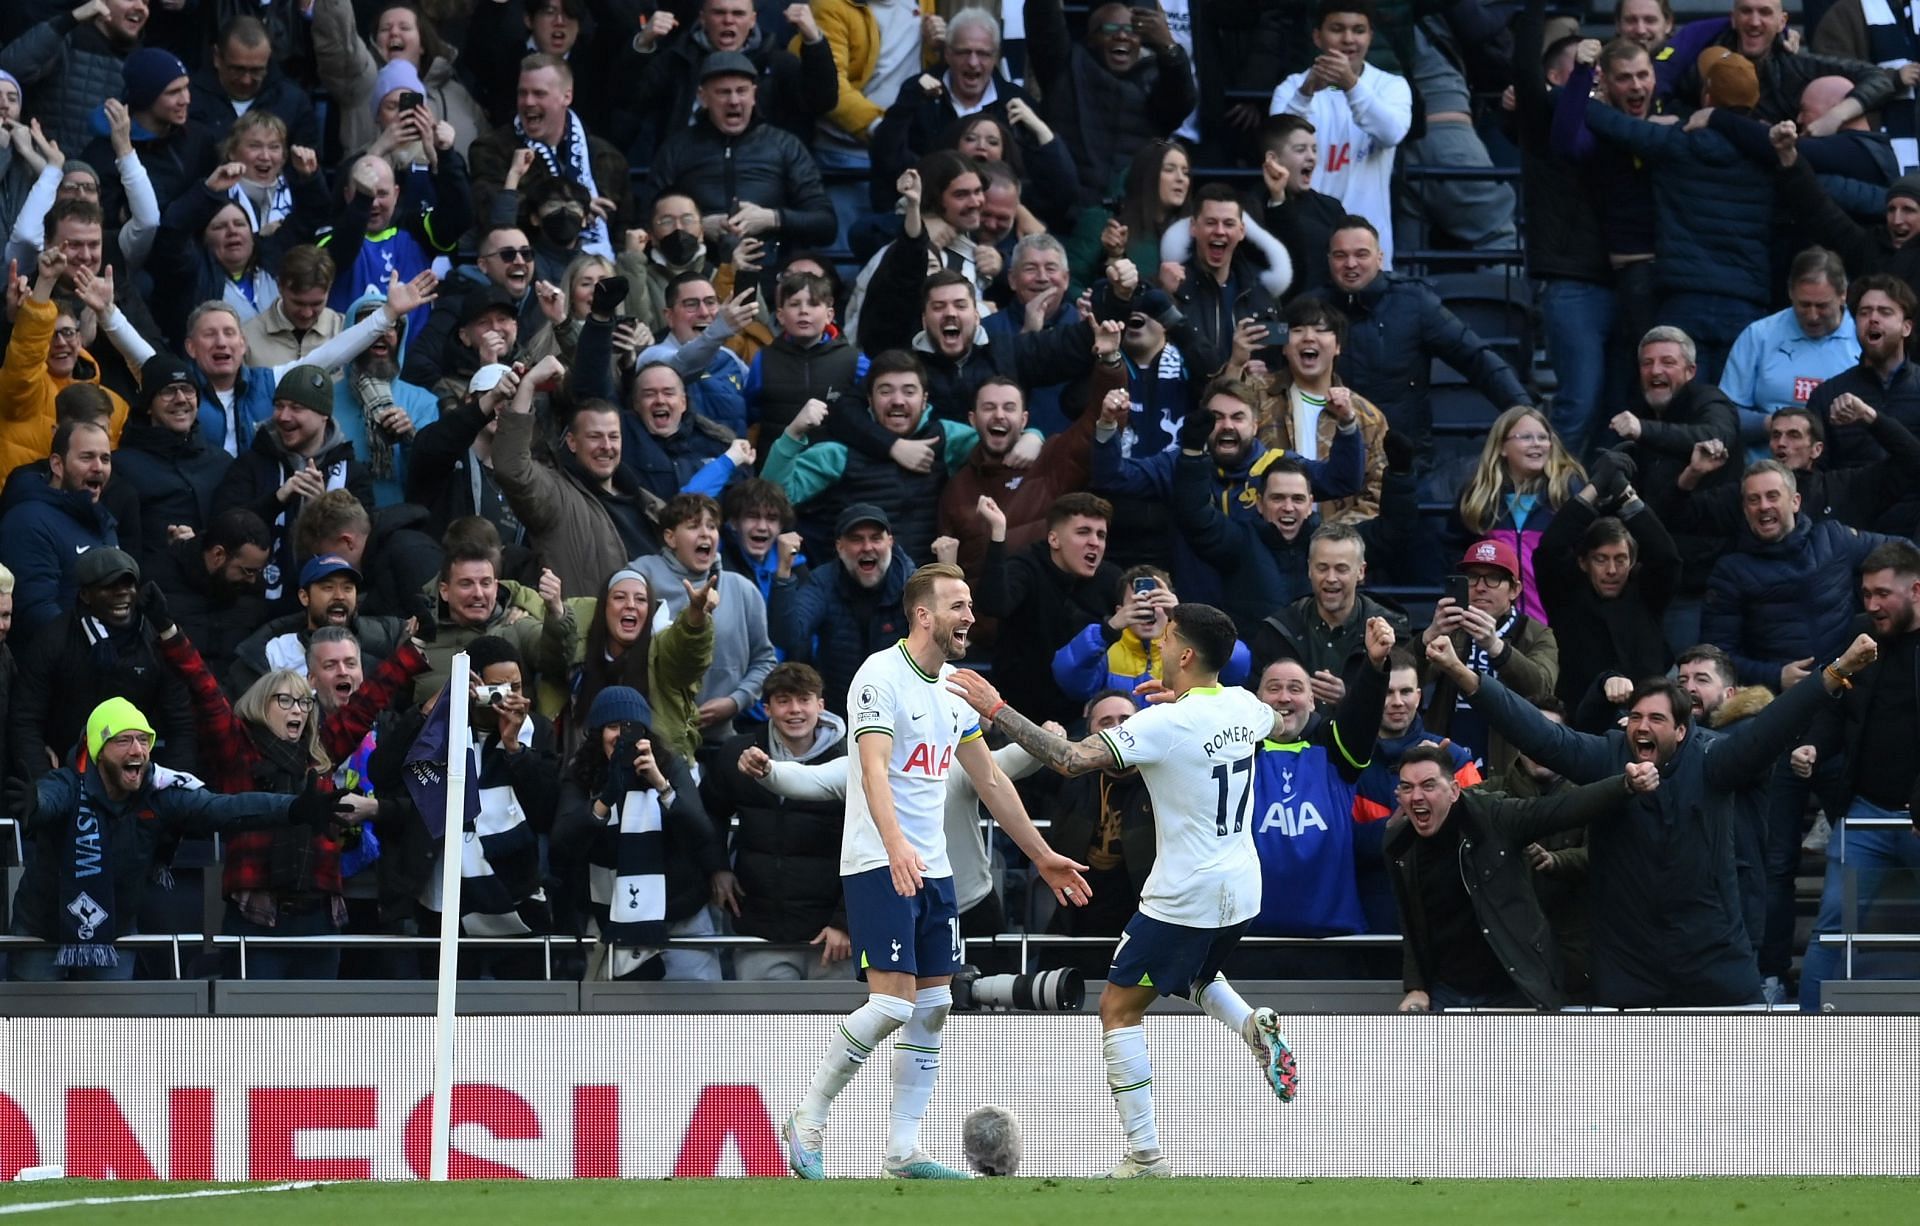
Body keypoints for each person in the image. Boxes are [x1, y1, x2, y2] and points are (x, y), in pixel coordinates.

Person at [945, 603, 1332, 1176]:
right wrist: (1187, 707)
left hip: (1184, 892)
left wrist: (997, 710)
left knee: (1118, 1008)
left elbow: (1072, 758)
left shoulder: (1162, 724)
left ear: (1184, 654)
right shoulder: (1246, 705)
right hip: (1243, 889)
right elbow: (1284, 725)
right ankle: (1252, 1024)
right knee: (1193, 973)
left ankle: (1145, 1155)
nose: (1157, 646)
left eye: (1167, 638)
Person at [782, 563, 1090, 1180]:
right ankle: (807, 1117)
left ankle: (902, 1150)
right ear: (924, 614)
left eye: (971, 604)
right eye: (958, 605)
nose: (970, 616)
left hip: (936, 870)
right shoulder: (878, 675)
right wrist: (895, 845)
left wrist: (1041, 854)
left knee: (935, 1005)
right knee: (893, 1007)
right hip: (879, 861)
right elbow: (871, 771)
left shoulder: (956, 687)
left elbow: (991, 778)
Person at [1426, 630, 1877, 1006]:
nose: (1642, 726)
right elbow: (1539, 734)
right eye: (1636, 717)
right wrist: (1464, 675)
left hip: (1713, 956)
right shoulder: (1608, 755)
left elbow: (1774, 725)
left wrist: (1837, 672)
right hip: (1627, 960)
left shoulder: (1715, 759)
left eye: (1657, 719)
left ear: (1681, 731)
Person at [5, 695, 354, 981]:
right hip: (42, 927)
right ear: (97, 751)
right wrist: (36, 805)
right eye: (123, 740)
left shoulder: (159, 792)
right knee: (32, 1025)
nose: (138, 751)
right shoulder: (69, 783)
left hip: (114, 930)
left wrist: (294, 809)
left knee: (106, 1028)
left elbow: (226, 809)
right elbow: (49, 798)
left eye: (144, 740)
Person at [1388, 743, 1661, 1011]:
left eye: (1428, 785)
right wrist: (1416, 986)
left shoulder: (1493, 816)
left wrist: (1625, 785)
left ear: (1454, 791)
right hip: (1446, 991)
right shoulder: (1398, 842)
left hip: (1515, 986)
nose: (1416, 797)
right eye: (1407, 787)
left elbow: (1562, 809)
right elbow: (1410, 921)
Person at [1795, 541, 1920, 1008]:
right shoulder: (1860, 635)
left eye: (1883, 594)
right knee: (1831, 929)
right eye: (1866, 593)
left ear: (1916, 591)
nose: (1871, 605)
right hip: (1866, 812)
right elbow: (1835, 704)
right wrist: (1814, 743)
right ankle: (1805, 1044)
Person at [1310, 217, 1531, 452]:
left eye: (1361, 254)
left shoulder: (1414, 303)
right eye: (1340, 255)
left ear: (1380, 258)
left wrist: (1524, 412)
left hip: (1403, 461)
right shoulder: (1310, 307)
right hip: (1327, 457)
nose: (1351, 263)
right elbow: (1275, 347)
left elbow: (1476, 358)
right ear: (1329, 260)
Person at [553, 683, 724, 981]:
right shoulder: (581, 773)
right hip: (609, 917)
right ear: (597, 734)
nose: (622, 735)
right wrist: (606, 798)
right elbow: (562, 842)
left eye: (631, 728)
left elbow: (701, 833)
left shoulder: (670, 766)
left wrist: (661, 785)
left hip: (678, 912)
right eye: (613, 726)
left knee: (698, 1018)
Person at [702, 661, 850, 981]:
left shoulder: (852, 759)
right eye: (783, 701)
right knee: (766, 1031)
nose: (794, 710)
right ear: (767, 709)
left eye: (804, 700)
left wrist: (845, 923)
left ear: (821, 705)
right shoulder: (736, 753)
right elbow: (709, 812)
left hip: (833, 940)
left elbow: (872, 846)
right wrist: (718, 867)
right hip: (761, 932)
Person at [1701, 459, 1902, 689]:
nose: (1763, 506)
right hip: (1787, 701)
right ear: (1745, 510)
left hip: (1856, 682)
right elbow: (1716, 658)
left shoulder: (1834, 539)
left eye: (1772, 496)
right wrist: (1775, 676)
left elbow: (1903, 554)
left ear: (1795, 501)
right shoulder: (1730, 572)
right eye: (1753, 500)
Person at [641, 51, 837, 269]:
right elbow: (646, 224)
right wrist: (697, 227)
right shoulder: (676, 149)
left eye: (741, 91)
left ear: (754, 95)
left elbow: (825, 224)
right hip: (697, 274)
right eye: (723, 93)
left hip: (772, 272)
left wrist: (772, 218)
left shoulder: (785, 145)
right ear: (702, 97)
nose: (734, 101)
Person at [491, 358, 660, 596]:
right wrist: (528, 385)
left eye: (613, 436)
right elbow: (511, 467)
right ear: (571, 442)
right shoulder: (555, 495)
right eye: (595, 437)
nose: (606, 446)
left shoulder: (645, 501)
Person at [211, 364, 374, 610]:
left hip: (328, 611)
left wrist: (324, 509)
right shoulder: (252, 463)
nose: (283, 416)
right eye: (279, 406)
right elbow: (221, 527)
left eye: (296, 408)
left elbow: (364, 541)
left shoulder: (353, 472)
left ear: (324, 415)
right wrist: (277, 500)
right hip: (254, 607)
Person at [1268, 2, 1412, 267]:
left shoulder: (1392, 86)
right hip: (1307, 241)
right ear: (1317, 36)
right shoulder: (1291, 87)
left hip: (1367, 246)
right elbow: (1278, 149)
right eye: (1337, 29)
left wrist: (1351, 85)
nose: (1348, 39)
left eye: (1358, 30)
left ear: (1371, 36)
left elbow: (1391, 133)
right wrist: (1305, 93)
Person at [1535, 472, 1682, 723]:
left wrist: (1627, 495)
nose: (1612, 570)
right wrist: (1595, 487)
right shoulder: (1565, 597)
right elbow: (1549, 550)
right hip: (1580, 724)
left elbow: (1667, 558)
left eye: (1620, 559)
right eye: (1601, 559)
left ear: (1633, 560)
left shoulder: (1648, 594)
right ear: (1583, 562)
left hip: (1645, 722)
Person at [631, 493, 777, 744]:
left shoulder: (743, 589)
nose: (705, 534)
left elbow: (764, 660)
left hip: (722, 738)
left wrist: (735, 701)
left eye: (711, 526)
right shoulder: (639, 578)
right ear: (670, 537)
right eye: (693, 526)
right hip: (653, 739)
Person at [1024, 0, 1196, 207]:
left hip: (1133, 217)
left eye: (1131, 30)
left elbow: (1181, 103)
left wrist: (1169, 47)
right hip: (1070, 214)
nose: (1122, 35)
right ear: (1091, 39)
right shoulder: (1065, 69)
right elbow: (1043, 22)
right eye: (1110, 29)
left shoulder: (1154, 79)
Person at [1422, 539, 1562, 777]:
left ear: (1515, 590)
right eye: (1473, 577)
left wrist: (1496, 647)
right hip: (1450, 761)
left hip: (1509, 768)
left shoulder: (1536, 634)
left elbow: (1542, 687)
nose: (1480, 587)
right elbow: (1405, 679)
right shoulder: (1448, 627)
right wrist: (1427, 638)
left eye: (1493, 578)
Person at [769, 503, 915, 717]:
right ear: (840, 547)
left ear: (890, 542)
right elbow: (787, 635)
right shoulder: (823, 582)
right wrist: (783, 571)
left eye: (876, 538)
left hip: (902, 713)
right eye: (856, 539)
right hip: (840, 714)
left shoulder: (913, 586)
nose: (867, 547)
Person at [1449, 407, 1587, 623]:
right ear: (1502, 446)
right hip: (1491, 627)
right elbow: (1455, 554)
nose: (1537, 443)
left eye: (1543, 437)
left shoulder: (1568, 491)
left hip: (1555, 626)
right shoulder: (1478, 496)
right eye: (1526, 437)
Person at [1719, 247, 1861, 453]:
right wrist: (1772, 425)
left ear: (1843, 295)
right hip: (1765, 469)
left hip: (1839, 467)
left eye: (1822, 306)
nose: (1812, 316)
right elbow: (1724, 413)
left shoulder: (1863, 338)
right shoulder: (1759, 336)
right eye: (1804, 305)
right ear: (1790, 292)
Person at [1249, 523, 1409, 699]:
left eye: (1341, 569)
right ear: (1309, 569)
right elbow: (1257, 702)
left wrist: (1348, 698)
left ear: (1361, 572)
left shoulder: (1389, 631)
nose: (1331, 578)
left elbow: (1400, 703)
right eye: (1322, 568)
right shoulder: (1278, 630)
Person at [311, 0, 486, 159]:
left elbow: (483, 147)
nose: (394, 32)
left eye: (404, 27)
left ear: (423, 44)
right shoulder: (362, 81)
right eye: (385, 29)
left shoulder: (455, 92)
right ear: (376, 43)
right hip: (373, 189)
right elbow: (338, 42)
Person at [108, 354, 233, 569]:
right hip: (157, 587)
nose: (180, 398)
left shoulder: (221, 461)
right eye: (168, 391)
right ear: (148, 405)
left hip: (219, 585)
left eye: (187, 389)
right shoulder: (121, 466)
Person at [0, 420, 120, 641]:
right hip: (63, 666)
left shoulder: (104, 522)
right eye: (87, 457)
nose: (98, 467)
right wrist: (96, 646)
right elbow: (35, 611)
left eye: (105, 458)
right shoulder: (28, 521)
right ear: (57, 464)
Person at [228, 553, 407, 696]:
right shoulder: (275, 651)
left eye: (347, 588)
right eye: (328, 588)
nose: (340, 596)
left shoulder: (384, 647)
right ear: (304, 597)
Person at [0, 0, 148, 153]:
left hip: (110, 173)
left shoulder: (146, 62)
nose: (141, 7)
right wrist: (67, 21)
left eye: (146, 3)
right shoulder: (63, 38)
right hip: (45, 169)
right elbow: (9, 72)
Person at [151, 505, 270, 686]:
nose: (253, 580)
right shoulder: (161, 580)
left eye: (257, 571)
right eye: (247, 571)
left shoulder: (250, 589)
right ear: (218, 555)